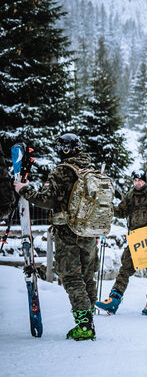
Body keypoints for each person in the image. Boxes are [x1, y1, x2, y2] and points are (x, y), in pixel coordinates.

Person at [13, 134, 99, 341]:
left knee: (71, 277)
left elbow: (48, 200)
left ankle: (84, 326)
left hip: (67, 231)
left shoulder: (63, 170)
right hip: (89, 231)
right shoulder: (91, 169)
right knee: (87, 276)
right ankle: (89, 320)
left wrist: (24, 190)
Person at [95, 169, 147, 315]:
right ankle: (114, 299)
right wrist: (107, 208)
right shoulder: (130, 195)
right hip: (136, 238)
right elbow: (121, 211)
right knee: (125, 268)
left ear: (146, 181)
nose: (137, 183)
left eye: (140, 180)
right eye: (135, 180)